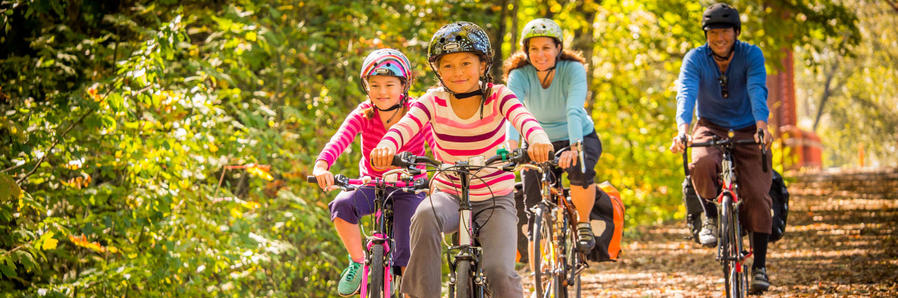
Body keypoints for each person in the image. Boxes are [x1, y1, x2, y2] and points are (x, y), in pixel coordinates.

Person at [369, 21, 553, 298]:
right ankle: (422, 294)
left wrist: (538, 139)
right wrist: (386, 145)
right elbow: (403, 127)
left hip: (495, 199)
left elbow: (524, 119)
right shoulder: (432, 101)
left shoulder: (498, 95)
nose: (457, 72)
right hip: (449, 194)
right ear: (437, 70)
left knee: (499, 271)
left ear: (482, 65)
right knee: (426, 214)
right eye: (448, 66)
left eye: (466, 63)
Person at [669, 3, 774, 293]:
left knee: (756, 194)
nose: (719, 38)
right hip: (710, 125)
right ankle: (712, 219)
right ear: (706, 35)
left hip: (748, 127)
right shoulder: (694, 59)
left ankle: (761, 267)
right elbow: (686, 92)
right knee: (700, 164)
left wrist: (762, 125)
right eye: (712, 33)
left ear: (736, 32)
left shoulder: (751, 54)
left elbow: (756, 88)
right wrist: (682, 130)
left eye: (725, 32)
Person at [311, 48, 432, 296]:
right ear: (366, 87)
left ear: (404, 85)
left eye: (389, 84)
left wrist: (438, 174)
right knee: (342, 205)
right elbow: (339, 140)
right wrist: (322, 166)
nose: (382, 91)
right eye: (375, 85)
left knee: (406, 250)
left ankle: (411, 290)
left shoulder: (416, 111)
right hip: (372, 184)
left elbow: (437, 143)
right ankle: (357, 262)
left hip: (409, 187)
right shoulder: (364, 113)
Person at [503, 18, 601, 253]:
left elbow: (574, 110)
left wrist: (574, 148)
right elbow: (513, 110)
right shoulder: (519, 73)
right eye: (533, 49)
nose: (540, 54)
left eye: (546, 47)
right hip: (538, 140)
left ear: (558, 48)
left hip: (577, 135)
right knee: (534, 206)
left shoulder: (572, 69)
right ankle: (542, 277)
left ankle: (584, 223)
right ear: (526, 50)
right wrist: (512, 148)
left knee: (579, 168)